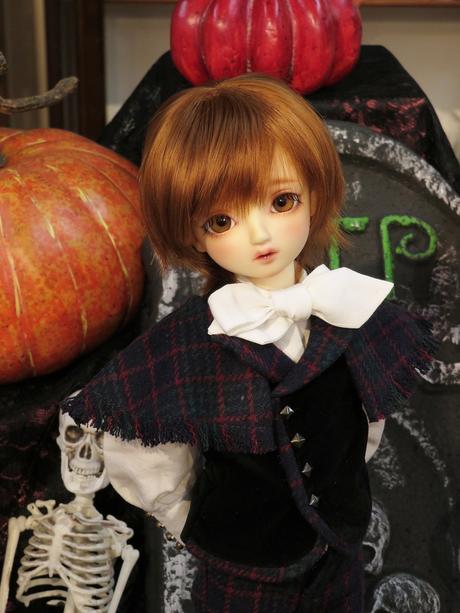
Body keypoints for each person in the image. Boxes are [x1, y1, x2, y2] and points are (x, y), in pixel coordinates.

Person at [63, 74, 436, 612]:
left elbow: (366, 418)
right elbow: (144, 451)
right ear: (193, 232)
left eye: (282, 201)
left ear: (314, 195)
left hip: (340, 549)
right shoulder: (187, 343)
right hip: (243, 567)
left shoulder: (348, 309)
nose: (260, 235)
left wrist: (340, 482)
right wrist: (188, 519)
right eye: (223, 220)